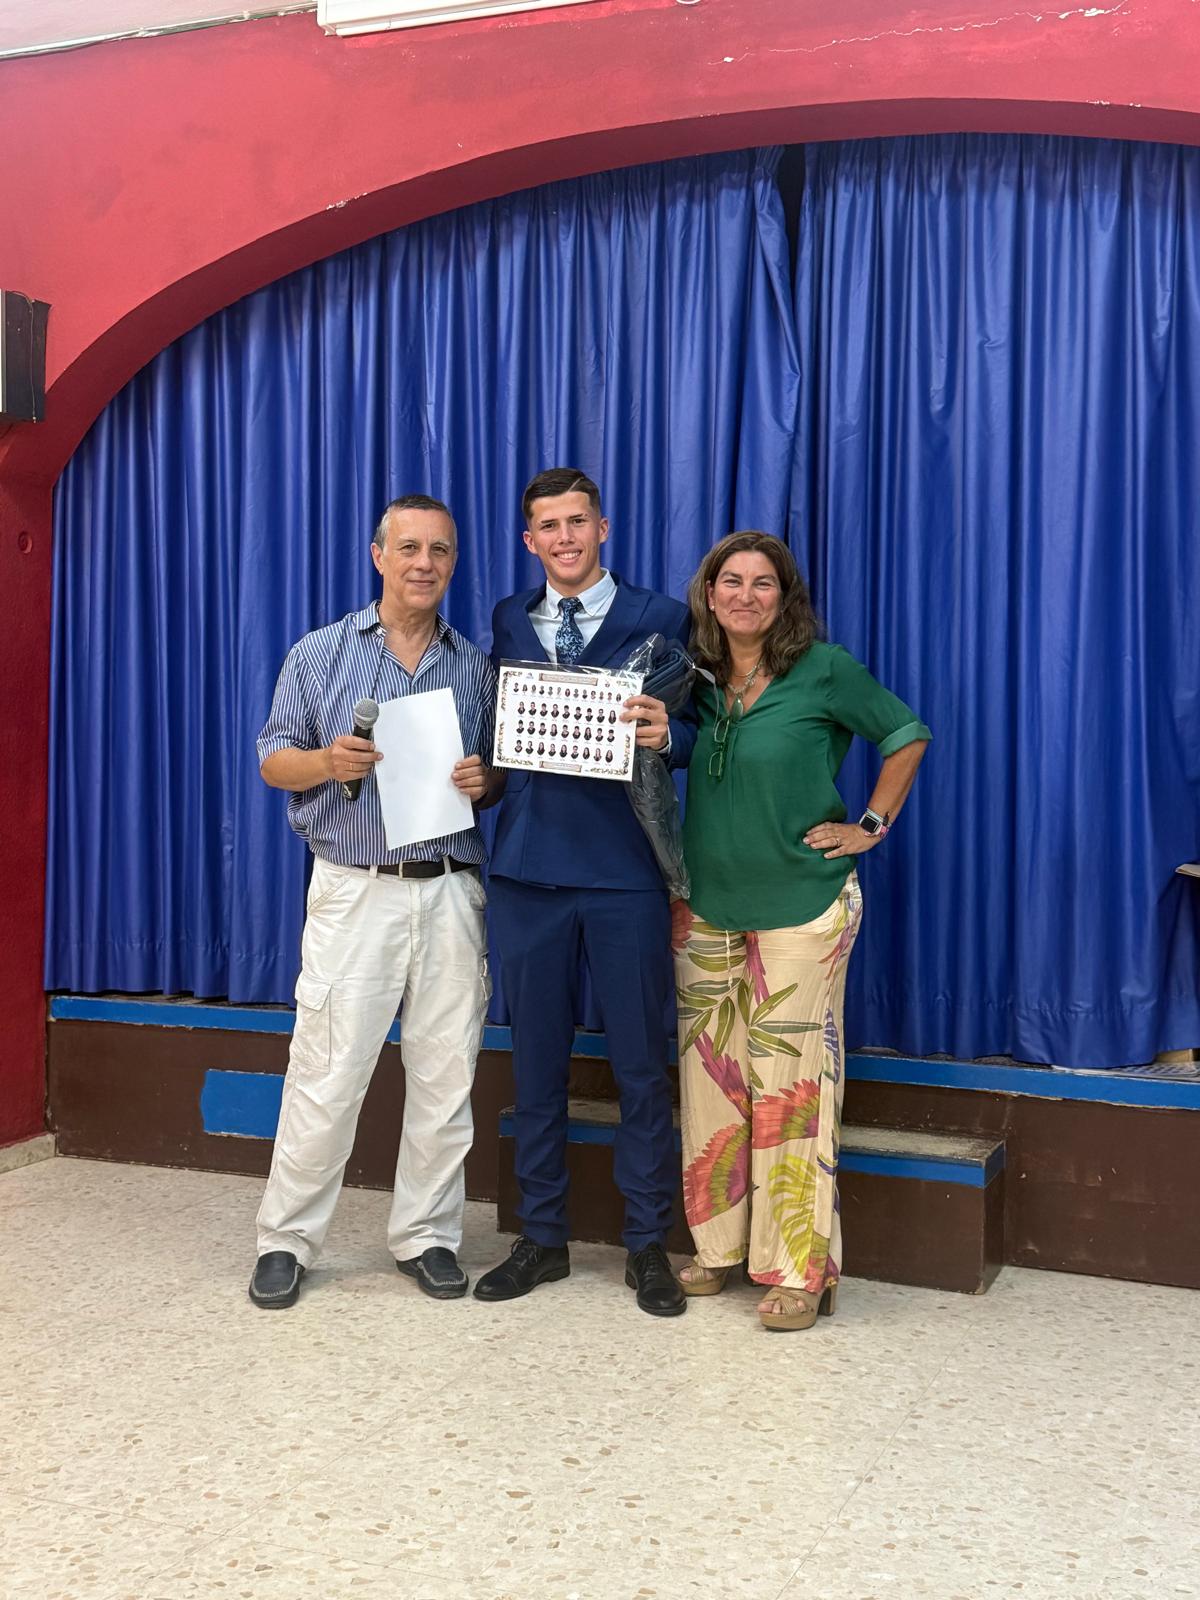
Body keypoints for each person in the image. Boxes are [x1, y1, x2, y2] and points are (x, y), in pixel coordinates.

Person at [248, 494, 501, 1310]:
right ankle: (286, 1239)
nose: (424, 563)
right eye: (409, 547)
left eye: (440, 550)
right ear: (378, 555)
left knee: (446, 1075)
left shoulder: (474, 667)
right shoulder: (320, 653)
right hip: (356, 890)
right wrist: (326, 762)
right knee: (326, 1071)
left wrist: (487, 780)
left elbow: (493, 780)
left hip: (451, 890)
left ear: (453, 562)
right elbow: (272, 760)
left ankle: (427, 1236)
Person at [673, 532, 929, 1331]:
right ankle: (717, 1248)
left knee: (792, 1092)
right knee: (710, 1086)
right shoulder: (693, 677)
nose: (745, 595)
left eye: (763, 583)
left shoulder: (824, 668)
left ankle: (799, 1271)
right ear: (709, 593)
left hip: (805, 907)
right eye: (731, 581)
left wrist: (869, 826)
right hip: (706, 908)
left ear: (785, 598)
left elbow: (906, 733)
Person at [475, 467, 696, 1317]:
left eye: (577, 522)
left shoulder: (661, 616)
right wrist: (479, 780)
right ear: (529, 540)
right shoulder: (508, 618)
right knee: (535, 1065)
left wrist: (670, 735)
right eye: (548, 526)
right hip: (527, 872)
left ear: (603, 529)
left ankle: (647, 1244)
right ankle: (542, 1237)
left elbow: (698, 728)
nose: (564, 538)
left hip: (624, 873)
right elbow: (502, 733)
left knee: (640, 1064)